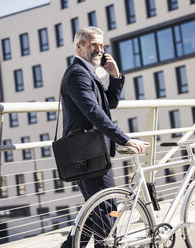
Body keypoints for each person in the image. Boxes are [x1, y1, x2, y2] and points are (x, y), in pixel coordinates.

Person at [59, 26, 149, 248]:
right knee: (108, 212)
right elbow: (94, 113)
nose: (99, 50)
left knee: (93, 215)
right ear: (79, 46)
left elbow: (109, 104)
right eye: (93, 45)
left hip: (91, 153)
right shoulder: (77, 74)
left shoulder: (88, 72)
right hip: (86, 155)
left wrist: (115, 76)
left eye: (102, 45)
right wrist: (125, 139)